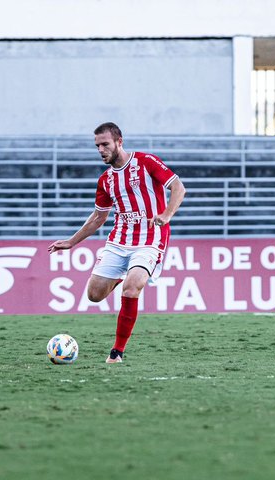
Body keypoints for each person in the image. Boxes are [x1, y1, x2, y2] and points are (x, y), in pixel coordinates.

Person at [48, 122, 186, 364]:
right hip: (118, 241)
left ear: (119, 142)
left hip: (150, 239)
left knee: (132, 288)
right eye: (97, 146)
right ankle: (125, 275)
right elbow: (98, 217)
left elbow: (178, 187)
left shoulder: (146, 162)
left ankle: (116, 352)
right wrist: (71, 242)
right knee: (94, 295)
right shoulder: (105, 180)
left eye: (105, 144)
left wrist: (166, 215)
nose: (101, 150)